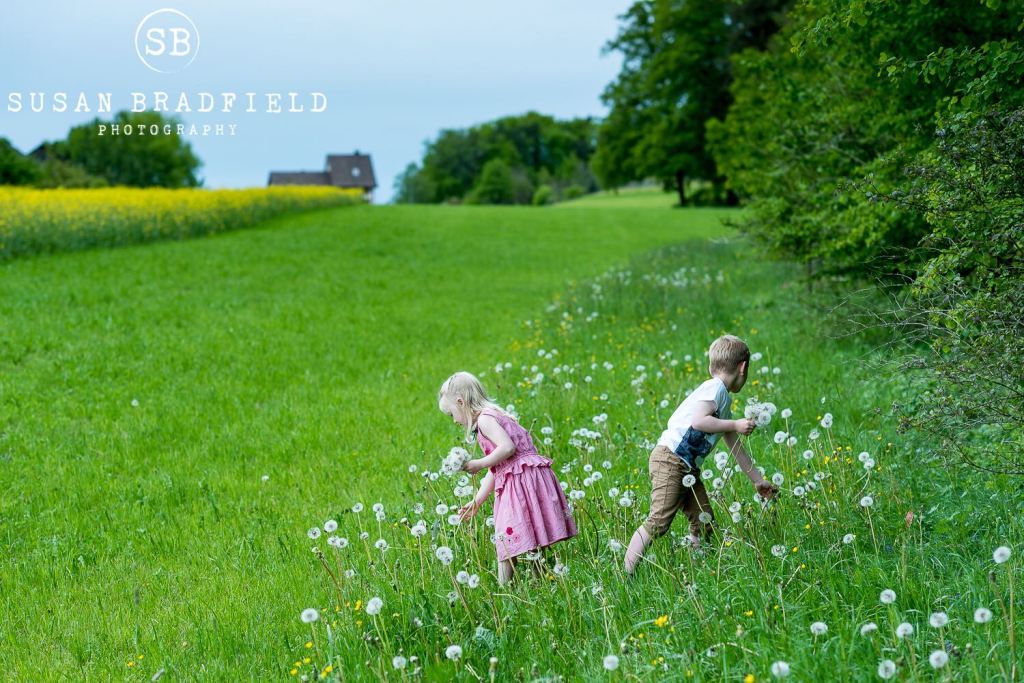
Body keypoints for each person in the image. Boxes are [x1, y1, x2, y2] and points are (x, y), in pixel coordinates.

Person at [624, 335, 777, 575]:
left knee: (704, 519)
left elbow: (734, 446)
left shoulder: (721, 398)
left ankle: (699, 570)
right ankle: (626, 576)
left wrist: (757, 480)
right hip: (670, 460)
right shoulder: (714, 388)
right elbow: (699, 421)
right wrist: (735, 424)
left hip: (687, 467)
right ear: (743, 367)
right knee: (659, 522)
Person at [438, 371, 577, 584]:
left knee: (505, 536)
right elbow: (498, 470)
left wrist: (479, 463)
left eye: (451, 414)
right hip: (528, 478)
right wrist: (477, 502)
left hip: (521, 481)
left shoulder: (485, 420)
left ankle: (504, 591)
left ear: (461, 402)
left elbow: (508, 448)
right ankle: (540, 584)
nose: (454, 421)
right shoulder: (493, 415)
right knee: (534, 534)